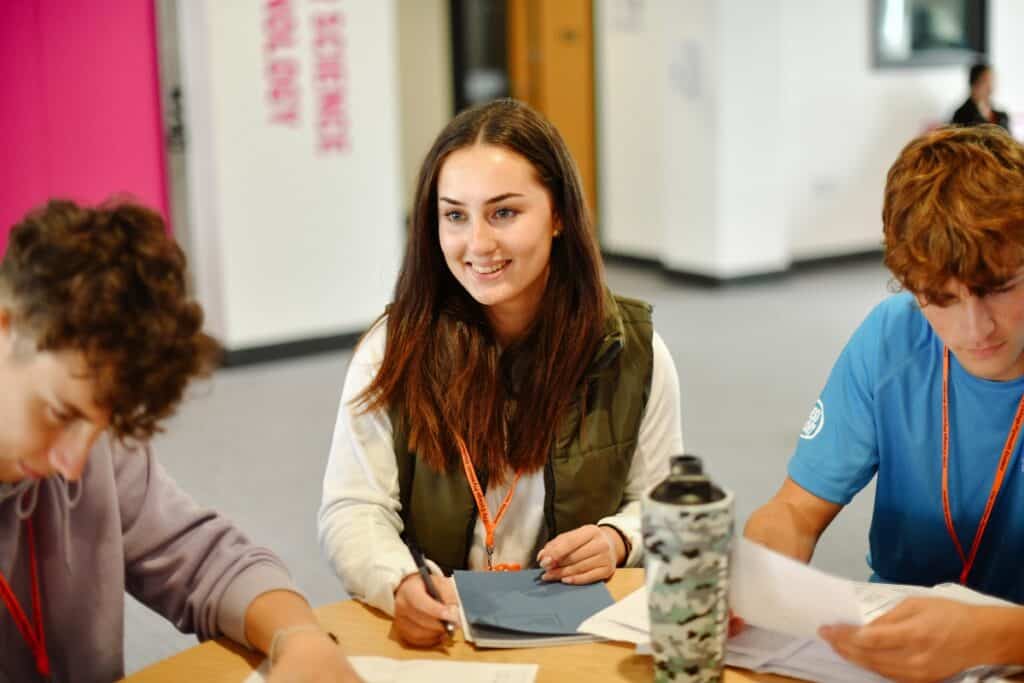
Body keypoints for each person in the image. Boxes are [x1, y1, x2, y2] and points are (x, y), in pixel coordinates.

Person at [318, 98, 683, 647]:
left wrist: (618, 538)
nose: (478, 245)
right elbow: (354, 506)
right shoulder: (393, 348)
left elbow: (665, 502)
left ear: (558, 215)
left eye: (504, 212)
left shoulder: (631, 348)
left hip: (578, 629)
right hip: (443, 627)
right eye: (455, 215)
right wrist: (397, 583)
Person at [0, 200, 359, 682]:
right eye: (58, 414)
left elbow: (204, 560)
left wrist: (298, 637)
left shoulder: (94, 447)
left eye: (102, 427)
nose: (73, 463)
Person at [744, 124, 1024, 681]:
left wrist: (994, 636)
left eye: (1001, 286)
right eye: (939, 299)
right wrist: (759, 578)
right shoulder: (891, 338)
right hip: (898, 656)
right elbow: (797, 509)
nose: (975, 329)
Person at [952, 62, 1010, 130]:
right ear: (974, 83)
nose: (990, 87)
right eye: (986, 81)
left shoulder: (1001, 117)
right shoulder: (962, 115)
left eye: (992, 81)